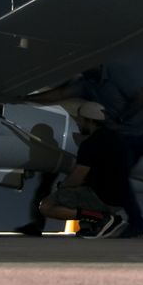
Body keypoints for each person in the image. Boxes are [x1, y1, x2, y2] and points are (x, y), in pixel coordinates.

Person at [28, 63, 143, 237]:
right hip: (125, 135)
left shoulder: (117, 72)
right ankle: (134, 223)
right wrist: (25, 97)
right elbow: (59, 94)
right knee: (120, 177)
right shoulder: (86, 84)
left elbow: (140, 98)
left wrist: (118, 120)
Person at [34, 101, 132, 239]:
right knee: (80, 191)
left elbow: (78, 176)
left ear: (89, 120)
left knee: (46, 206)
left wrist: (61, 187)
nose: (78, 123)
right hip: (122, 197)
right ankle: (94, 224)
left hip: (101, 198)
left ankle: (102, 218)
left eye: (80, 120)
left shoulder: (90, 144)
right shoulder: (118, 139)